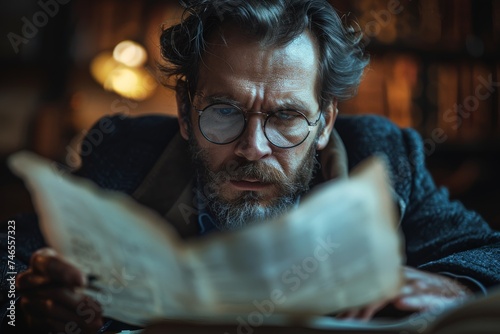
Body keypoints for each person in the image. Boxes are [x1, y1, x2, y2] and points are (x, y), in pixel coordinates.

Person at [2, 0, 500, 333]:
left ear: (325, 123)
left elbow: (489, 253)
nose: (252, 148)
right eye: (224, 112)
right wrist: (23, 297)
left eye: (285, 117)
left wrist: (453, 285)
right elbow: (9, 254)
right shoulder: (124, 150)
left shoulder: (383, 153)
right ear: (183, 111)